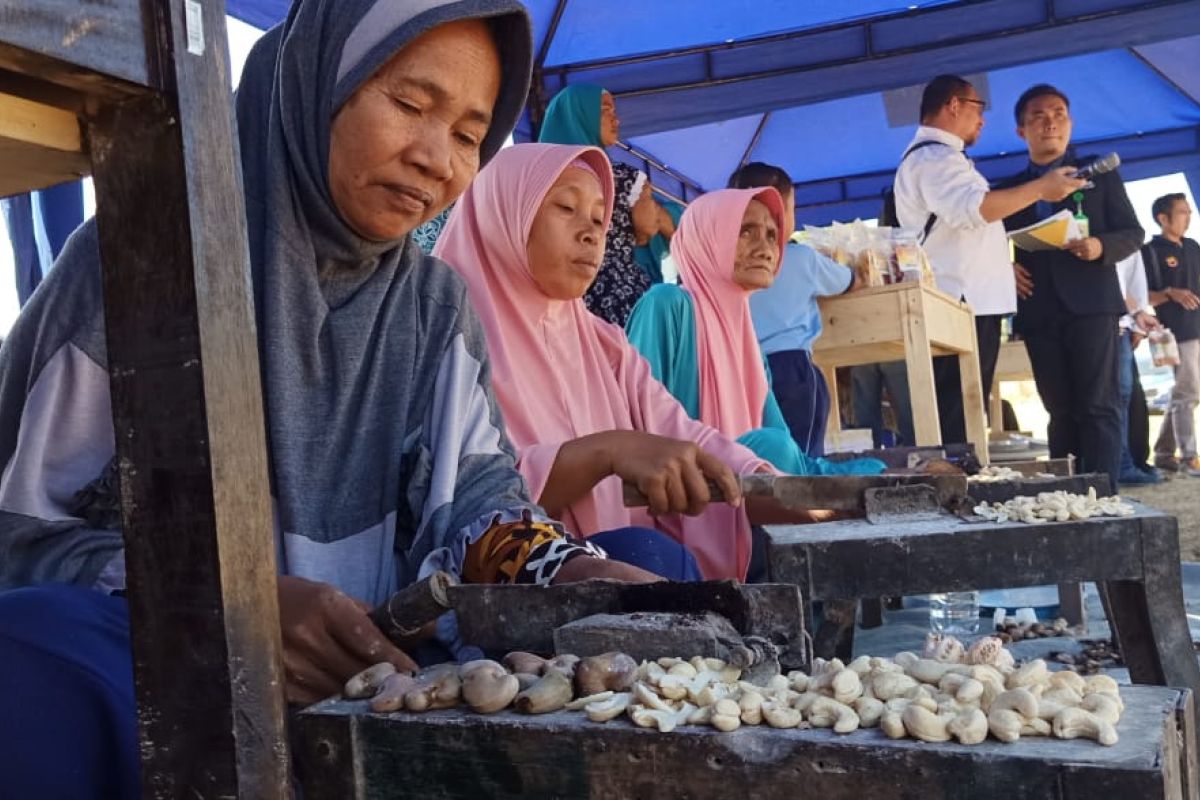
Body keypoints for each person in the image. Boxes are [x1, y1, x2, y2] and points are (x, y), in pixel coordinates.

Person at [0, 3, 659, 795]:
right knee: (31, 663)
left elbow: (478, 503)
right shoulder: (142, 255)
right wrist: (232, 607)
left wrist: (571, 567)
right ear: (315, 86)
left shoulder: (432, 306)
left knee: (642, 573)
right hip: (171, 658)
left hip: (376, 666)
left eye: (466, 134)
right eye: (410, 105)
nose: (434, 159)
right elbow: (23, 536)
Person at [434, 142, 781, 579]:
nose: (591, 232)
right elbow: (473, 498)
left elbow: (677, 432)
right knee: (644, 554)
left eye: (599, 217)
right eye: (566, 208)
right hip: (507, 588)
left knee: (757, 541)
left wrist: (769, 481)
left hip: (618, 561)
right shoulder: (447, 341)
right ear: (503, 216)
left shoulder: (604, 344)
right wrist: (607, 452)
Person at [625, 188, 885, 477]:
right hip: (676, 498)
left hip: (740, 500)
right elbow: (640, 423)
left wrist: (877, 472)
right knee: (770, 446)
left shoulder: (750, 345)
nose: (765, 249)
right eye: (746, 232)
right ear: (707, 237)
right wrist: (740, 458)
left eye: (772, 236)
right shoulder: (667, 305)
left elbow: (795, 463)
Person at [894, 75, 1085, 446]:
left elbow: (964, 228)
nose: (983, 120)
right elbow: (975, 209)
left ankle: (957, 483)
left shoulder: (942, 158)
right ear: (954, 105)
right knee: (958, 410)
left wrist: (1000, 263)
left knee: (965, 407)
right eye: (979, 109)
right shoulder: (936, 158)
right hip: (961, 300)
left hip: (967, 299)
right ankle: (953, 487)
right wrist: (1041, 188)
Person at [999, 84, 1144, 486]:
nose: (1050, 123)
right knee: (1058, 409)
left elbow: (1133, 232)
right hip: (1038, 308)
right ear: (1021, 131)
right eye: (1038, 117)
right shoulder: (1007, 190)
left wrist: (1100, 245)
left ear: (1071, 123)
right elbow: (986, 239)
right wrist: (1001, 266)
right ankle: (1066, 497)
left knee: (1100, 406)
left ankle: (1101, 497)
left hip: (1093, 304)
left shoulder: (1100, 174)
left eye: (1058, 113)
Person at [729, 162, 860, 456]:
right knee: (801, 460)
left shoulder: (727, 264)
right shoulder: (802, 257)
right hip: (793, 370)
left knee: (760, 460)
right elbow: (848, 281)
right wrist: (857, 271)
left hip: (741, 371)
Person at [538, 84, 658, 326]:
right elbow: (647, 229)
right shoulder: (625, 178)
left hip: (550, 298)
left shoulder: (535, 175)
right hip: (618, 293)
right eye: (605, 110)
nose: (616, 118)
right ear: (582, 116)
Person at [1145, 193, 1200, 475]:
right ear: (1162, 218)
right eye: (1181, 213)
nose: (1187, 218)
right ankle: (1190, 457)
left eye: (1189, 212)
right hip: (1173, 333)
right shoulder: (1150, 251)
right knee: (1188, 393)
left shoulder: (1192, 247)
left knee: (1185, 392)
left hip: (1198, 327)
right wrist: (1169, 293)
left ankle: (1165, 453)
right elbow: (1142, 297)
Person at [1114, 250, 1162, 485]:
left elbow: (1131, 281)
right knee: (1112, 397)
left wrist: (1137, 320)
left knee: (1125, 395)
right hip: (1095, 319)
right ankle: (1118, 464)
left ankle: (1125, 463)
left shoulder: (1127, 237)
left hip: (1123, 323)